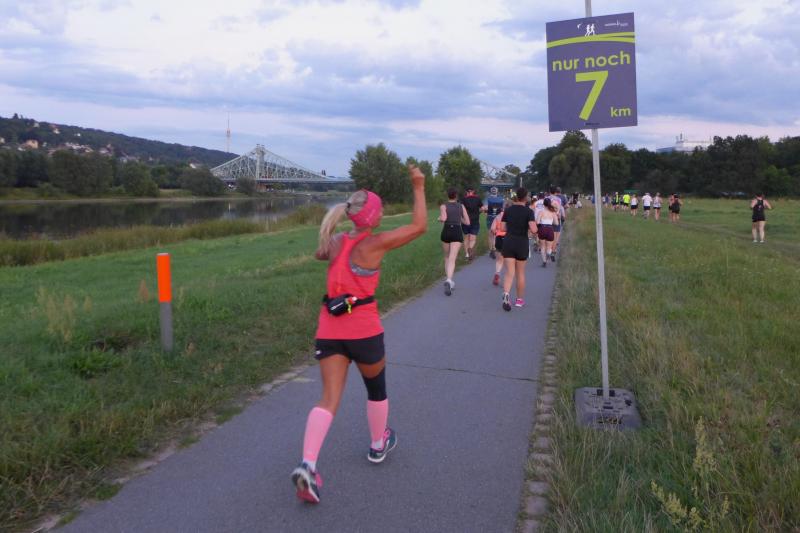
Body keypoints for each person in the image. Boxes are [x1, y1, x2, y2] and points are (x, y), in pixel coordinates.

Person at [292, 166, 427, 504]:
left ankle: (308, 465)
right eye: (380, 209)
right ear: (373, 217)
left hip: (329, 330)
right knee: (376, 389)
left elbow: (320, 254)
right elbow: (419, 226)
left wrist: (335, 234)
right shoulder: (375, 243)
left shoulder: (338, 241)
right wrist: (418, 186)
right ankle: (378, 445)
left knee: (328, 399)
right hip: (363, 330)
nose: (382, 212)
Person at [500, 187, 538, 311]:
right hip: (522, 243)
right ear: (526, 197)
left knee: (509, 272)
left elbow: (502, 227)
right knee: (520, 273)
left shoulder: (508, 210)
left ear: (516, 196)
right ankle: (519, 300)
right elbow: (534, 229)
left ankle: (506, 294)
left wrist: (512, 228)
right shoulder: (529, 212)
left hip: (509, 242)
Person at [439, 187, 470, 295]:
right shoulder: (461, 206)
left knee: (447, 257)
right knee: (452, 258)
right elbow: (467, 222)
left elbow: (443, 218)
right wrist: (459, 218)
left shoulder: (443, 206)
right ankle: (449, 280)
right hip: (457, 231)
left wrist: (439, 218)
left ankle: (449, 280)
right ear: (456, 196)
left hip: (446, 231)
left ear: (447, 195)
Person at [461, 186, 483, 262]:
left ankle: (467, 254)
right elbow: (482, 208)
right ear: (473, 191)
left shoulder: (463, 199)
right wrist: (478, 213)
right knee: (473, 239)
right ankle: (470, 248)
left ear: (466, 192)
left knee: (466, 238)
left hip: (465, 221)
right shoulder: (477, 199)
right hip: (475, 221)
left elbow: (461, 209)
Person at [489, 201, 509, 285]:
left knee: (499, 260)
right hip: (509, 238)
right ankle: (507, 280)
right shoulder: (512, 216)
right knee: (508, 261)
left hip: (499, 238)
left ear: (503, 208)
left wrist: (496, 232)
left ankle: (497, 273)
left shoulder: (498, 216)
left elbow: (492, 228)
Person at [535, 198, 559, 268]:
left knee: (543, 246)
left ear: (543, 204)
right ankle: (548, 255)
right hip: (550, 229)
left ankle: (544, 261)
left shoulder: (541, 212)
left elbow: (537, 222)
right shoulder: (553, 212)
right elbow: (556, 223)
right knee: (549, 247)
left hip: (542, 228)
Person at [485, 186, 504, 259]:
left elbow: (485, 208)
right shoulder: (501, 199)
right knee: (497, 233)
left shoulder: (487, 199)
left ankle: (492, 250)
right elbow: (503, 209)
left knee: (490, 234)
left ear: (491, 191)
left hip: (490, 217)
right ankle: (496, 248)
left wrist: (486, 212)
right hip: (498, 217)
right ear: (497, 191)